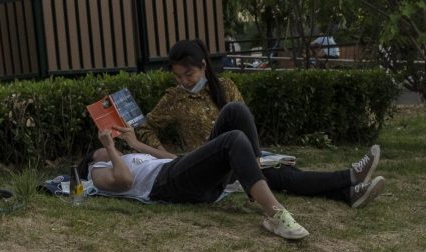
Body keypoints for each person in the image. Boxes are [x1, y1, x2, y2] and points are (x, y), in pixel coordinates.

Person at [136, 39, 384, 209]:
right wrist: (169, 156)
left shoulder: (226, 87)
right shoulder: (174, 98)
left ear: (203, 66)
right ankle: (349, 179)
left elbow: (244, 124)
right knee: (280, 176)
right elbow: (145, 127)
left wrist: (253, 155)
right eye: (178, 76)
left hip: (241, 154)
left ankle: (349, 191)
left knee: (286, 176)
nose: (184, 81)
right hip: (208, 165)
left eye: (188, 75)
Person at [82, 121, 311, 240]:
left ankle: (253, 164)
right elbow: (125, 181)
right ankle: (276, 213)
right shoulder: (97, 170)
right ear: (92, 159)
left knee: (234, 111)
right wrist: (109, 148)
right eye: (98, 149)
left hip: (177, 172)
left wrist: (136, 146)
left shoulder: (127, 157)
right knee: (233, 139)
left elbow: (174, 158)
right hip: (165, 183)